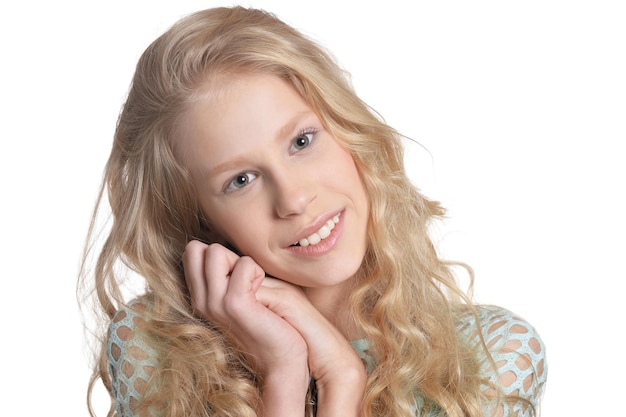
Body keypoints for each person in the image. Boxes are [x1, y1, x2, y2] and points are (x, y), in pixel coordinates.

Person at [78, 6, 547, 417]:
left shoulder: (491, 356)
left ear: (349, 131)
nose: (294, 200)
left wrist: (341, 378)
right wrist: (287, 374)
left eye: (302, 142)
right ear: (202, 220)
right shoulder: (159, 350)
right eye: (241, 180)